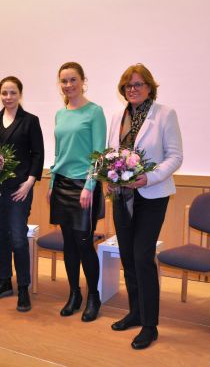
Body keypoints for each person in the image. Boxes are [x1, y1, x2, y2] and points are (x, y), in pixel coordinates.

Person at [107, 63, 183, 350]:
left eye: (138, 84)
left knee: (142, 256)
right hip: (122, 195)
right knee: (127, 256)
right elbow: (110, 153)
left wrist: (148, 178)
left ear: (150, 87)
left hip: (151, 195)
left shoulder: (165, 114)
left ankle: (150, 325)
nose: (133, 89)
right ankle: (135, 312)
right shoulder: (118, 115)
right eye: (128, 85)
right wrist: (108, 177)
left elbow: (175, 157)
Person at [48, 62, 106, 321]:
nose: (68, 85)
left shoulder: (95, 112)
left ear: (83, 81)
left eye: (73, 80)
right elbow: (59, 153)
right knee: (68, 244)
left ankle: (94, 296)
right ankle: (74, 294)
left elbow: (99, 155)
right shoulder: (61, 114)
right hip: (61, 184)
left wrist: (89, 186)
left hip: (84, 185)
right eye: (64, 81)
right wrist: (51, 184)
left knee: (84, 243)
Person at [0, 76, 44, 312]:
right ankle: (5, 282)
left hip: (20, 189)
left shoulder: (29, 121)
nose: (8, 97)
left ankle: (23, 288)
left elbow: (38, 154)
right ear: (0, 94)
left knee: (18, 238)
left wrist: (29, 184)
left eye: (13, 93)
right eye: (4, 93)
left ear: (20, 94)